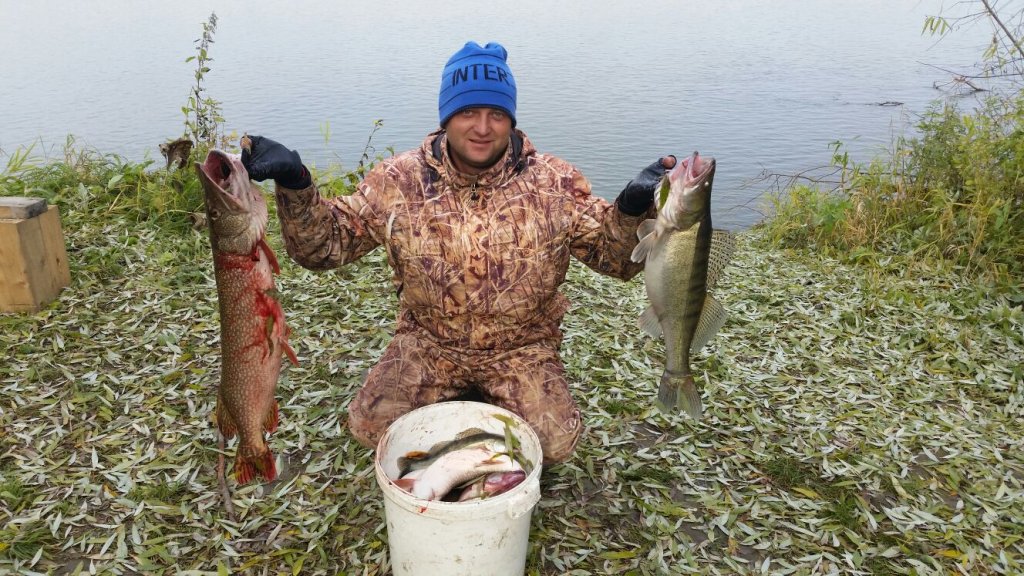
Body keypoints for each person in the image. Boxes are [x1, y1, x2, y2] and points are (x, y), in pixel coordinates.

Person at [241, 41, 675, 465]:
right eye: (468, 111)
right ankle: (465, 400)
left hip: (520, 347)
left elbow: (614, 260)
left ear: (511, 120)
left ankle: (485, 398)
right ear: (447, 116)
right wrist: (296, 183)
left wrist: (632, 209)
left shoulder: (554, 182)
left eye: (496, 114)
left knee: (554, 446)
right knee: (370, 430)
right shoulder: (399, 179)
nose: (482, 128)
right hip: (429, 341)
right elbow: (324, 246)